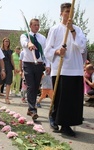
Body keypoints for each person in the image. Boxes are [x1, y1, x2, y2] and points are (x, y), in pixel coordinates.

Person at [44, 3, 87, 136]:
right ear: (61, 13)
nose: (69, 13)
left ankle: (67, 121)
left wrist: (72, 30)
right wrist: (57, 51)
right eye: (67, 11)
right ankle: (62, 123)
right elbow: (47, 50)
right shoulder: (55, 29)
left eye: (71, 11)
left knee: (73, 99)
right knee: (62, 99)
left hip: (75, 68)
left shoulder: (78, 30)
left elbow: (82, 47)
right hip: (61, 69)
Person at [20, 18, 50, 120]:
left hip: (39, 64)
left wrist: (47, 65)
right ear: (30, 26)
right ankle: (33, 109)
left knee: (36, 86)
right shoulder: (25, 36)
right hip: (28, 64)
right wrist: (29, 44)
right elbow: (23, 42)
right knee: (31, 85)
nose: (37, 27)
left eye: (38, 25)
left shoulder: (42, 38)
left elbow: (45, 53)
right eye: (35, 25)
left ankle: (30, 108)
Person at [0, 37, 15, 104]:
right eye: (6, 41)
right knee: (0, 82)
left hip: (9, 66)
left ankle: (7, 98)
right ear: (3, 42)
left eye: (8, 41)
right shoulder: (0, 50)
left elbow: (12, 60)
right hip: (2, 66)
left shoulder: (10, 51)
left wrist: (14, 68)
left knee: (9, 82)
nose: (7, 42)